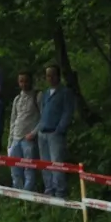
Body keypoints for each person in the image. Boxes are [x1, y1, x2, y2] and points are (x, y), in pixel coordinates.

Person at [36, 64, 76, 198]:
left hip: (55, 133)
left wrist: (60, 129)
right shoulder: (46, 93)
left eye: (53, 75)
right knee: (45, 164)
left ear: (58, 76)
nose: (50, 78)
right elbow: (42, 111)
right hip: (43, 132)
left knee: (56, 163)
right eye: (48, 75)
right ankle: (49, 190)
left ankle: (60, 192)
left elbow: (67, 112)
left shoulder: (65, 92)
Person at [7, 71, 42, 192]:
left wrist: (34, 133)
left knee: (29, 168)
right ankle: (17, 193)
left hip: (29, 139)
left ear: (31, 81)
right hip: (16, 138)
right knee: (15, 168)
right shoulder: (17, 99)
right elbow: (13, 120)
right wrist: (10, 141)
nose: (24, 84)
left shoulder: (37, 96)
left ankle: (27, 194)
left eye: (26, 81)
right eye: (21, 81)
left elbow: (43, 118)